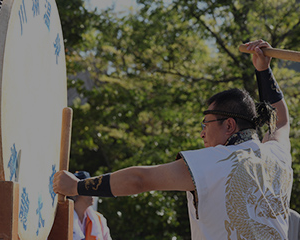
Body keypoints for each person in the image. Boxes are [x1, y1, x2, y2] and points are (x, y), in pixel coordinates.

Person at [53, 40, 293, 239]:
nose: (201, 133)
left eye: (206, 124)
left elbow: (139, 180)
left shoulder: (215, 162)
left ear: (229, 125)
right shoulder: (277, 155)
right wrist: (263, 70)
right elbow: (281, 120)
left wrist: (76, 186)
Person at [68, 171, 112, 240]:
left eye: (93, 188)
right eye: (87, 188)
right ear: (74, 193)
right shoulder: (63, 218)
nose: (92, 192)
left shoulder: (100, 219)